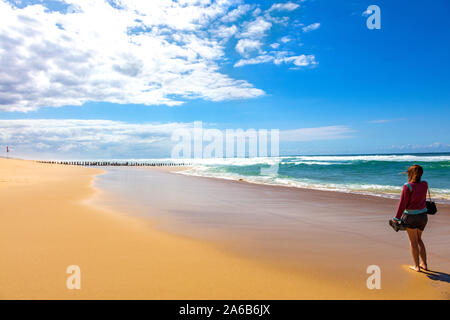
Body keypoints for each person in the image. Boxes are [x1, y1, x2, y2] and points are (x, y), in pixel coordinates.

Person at [392, 164, 429, 272]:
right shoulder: (425, 184)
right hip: (423, 216)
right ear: (421, 174)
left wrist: (397, 218)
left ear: (410, 173)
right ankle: (424, 264)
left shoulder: (407, 186)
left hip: (411, 216)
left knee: (413, 242)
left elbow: (402, 204)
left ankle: (417, 266)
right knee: (419, 240)